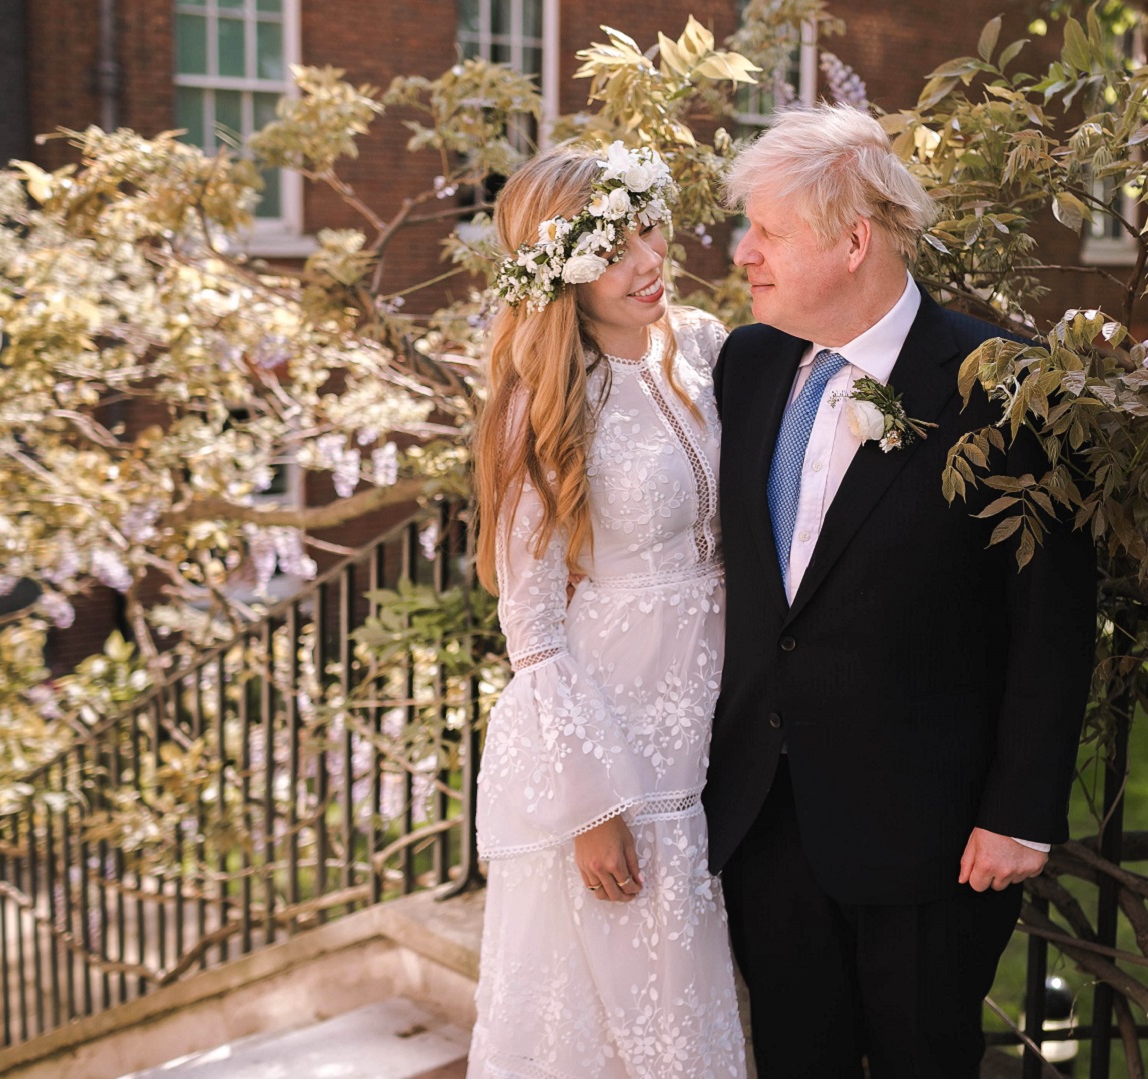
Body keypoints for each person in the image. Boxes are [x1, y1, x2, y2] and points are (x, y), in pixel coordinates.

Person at [704, 104, 1098, 1078]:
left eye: (767, 231)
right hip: (769, 817)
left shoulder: (1006, 386)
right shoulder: (747, 365)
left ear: (853, 240)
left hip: (933, 834)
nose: (743, 254)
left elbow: (1051, 618)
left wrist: (1021, 811)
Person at [467, 141, 745, 1078]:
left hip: (715, 713)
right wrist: (592, 805)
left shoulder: (704, 349)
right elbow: (535, 631)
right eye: (615, 247)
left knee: (700, 993)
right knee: (623, 1010)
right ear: (561, 268)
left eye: (651, 229)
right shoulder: (544, 404)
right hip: (614, 739)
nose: (649, 260)